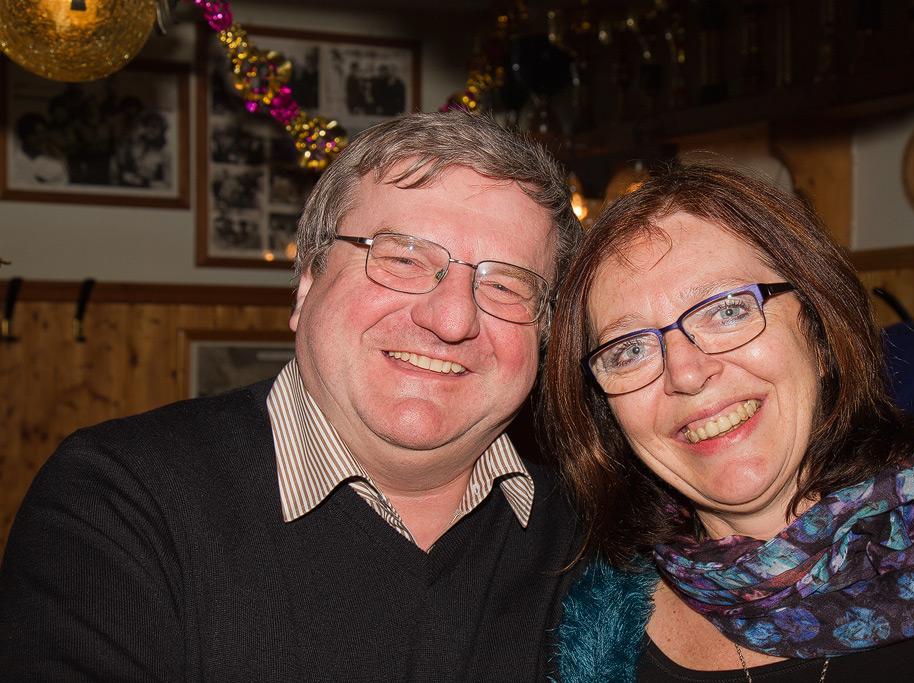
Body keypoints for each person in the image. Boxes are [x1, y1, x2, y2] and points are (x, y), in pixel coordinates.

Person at [0, 111, 584, 681]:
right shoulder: (117, 499)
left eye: (506, 286)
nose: (452, 319)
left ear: (545, 334)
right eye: (403, 258)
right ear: (306, 285)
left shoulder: (592, 540)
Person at [541, 161, 914, 682]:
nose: (686, 373)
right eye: (629, 349)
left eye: (727, 310)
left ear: (819, 333)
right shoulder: (583, 640)